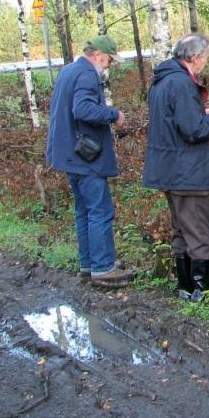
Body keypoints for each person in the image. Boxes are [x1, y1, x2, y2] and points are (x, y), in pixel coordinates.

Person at [46, 35, 134, 288]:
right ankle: (103, 267)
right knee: (100, 210)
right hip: (86, 157)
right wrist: (113, 114)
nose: (109, 65)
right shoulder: (86, 74)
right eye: (108, 60)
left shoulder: (68, 71)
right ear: (97, 55)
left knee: (83, 210)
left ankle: (89, 264)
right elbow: (82, 109)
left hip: (69, 154)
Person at [142, 33, 209, 301]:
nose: (205, 63)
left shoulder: (161, 81)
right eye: (206, 58)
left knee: (181, 229)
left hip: (169, 170)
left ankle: (186, 288)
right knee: (199, 230)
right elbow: (192, 129)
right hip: (187, 172)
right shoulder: (181, 84)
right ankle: (202, 292)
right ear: (195, 57)